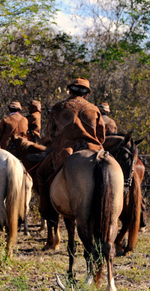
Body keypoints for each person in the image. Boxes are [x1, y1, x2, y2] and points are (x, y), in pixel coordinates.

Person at [36, 78, 105, 223]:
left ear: (70, 90)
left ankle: (46, 211)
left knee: (41, 173)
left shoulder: (58, 107)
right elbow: (101, 136)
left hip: (65, 152)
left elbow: (51, 135)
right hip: (94, 150)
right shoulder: (94, 108)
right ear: (86, 94)